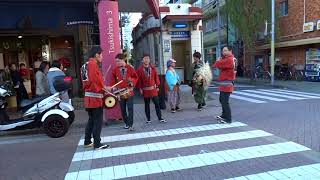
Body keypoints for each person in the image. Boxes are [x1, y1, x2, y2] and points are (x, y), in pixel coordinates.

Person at [81, 46, 111, 149]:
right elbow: (96, 81)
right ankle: (97, 143)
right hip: (95, 98)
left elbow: (89, 82)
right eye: (101, 55)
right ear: (97, 55)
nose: (102, 57)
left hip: (88, 98)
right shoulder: (93, 65)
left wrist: (103, 87)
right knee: (98, 121)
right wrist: (105, 88)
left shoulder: (85, 65)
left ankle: (87, 141)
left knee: (91, 120)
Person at [110, 53, 138, 131]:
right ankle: (126, 123)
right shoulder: (115, 70)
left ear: (123, 60)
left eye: (118, 61)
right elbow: (113, 81)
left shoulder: (130, 68)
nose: (117, 63)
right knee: (122, 109)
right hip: (120, 92)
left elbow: (135, 77)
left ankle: (131, 124)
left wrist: (131, 81)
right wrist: (114, 87)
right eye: (116, 62)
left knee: (130, 108)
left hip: (129, 91)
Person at [136, 54, 166, 124]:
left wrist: (158, 86)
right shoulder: (139, 70)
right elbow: (139, 80)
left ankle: (160, 118)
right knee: (147, 105)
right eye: (145, 58)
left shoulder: (153, 68)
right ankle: (148, 119)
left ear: (149, 60)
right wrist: (140, 88)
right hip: (145, 90)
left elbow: (156, 78)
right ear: (142, 60)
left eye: (148, 58)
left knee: (157, 104)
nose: (146, 60)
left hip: (153, 90)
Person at [212, 46, 237, 124]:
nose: (224, 52)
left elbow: (215, 65)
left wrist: (218, 60)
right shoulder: (232, 59)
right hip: (226, 83)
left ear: (230, 51)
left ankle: (228, 119)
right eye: (223, 51)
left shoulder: (229, 59)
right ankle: (224, 115)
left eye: (225, 51)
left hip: (227, 83)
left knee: (225, 101)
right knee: (221, 100)